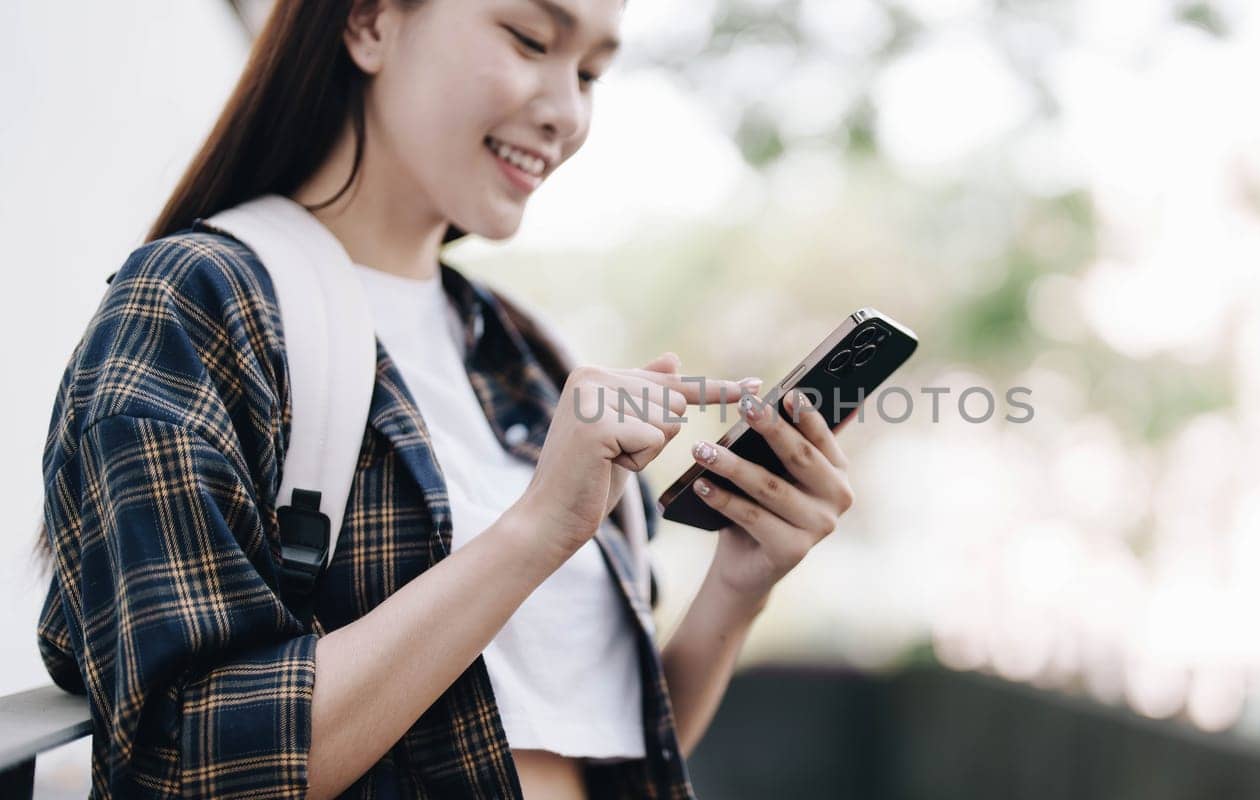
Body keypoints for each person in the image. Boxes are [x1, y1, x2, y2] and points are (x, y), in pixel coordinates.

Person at [32, 0, 858, 797]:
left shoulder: (526, 356)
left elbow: (617, 749)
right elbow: (184, 765)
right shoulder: (198, 303)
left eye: (594, 72)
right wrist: (534, 533)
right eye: (531, 39)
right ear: (369, 20)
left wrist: (738, 588)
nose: (567, 112)